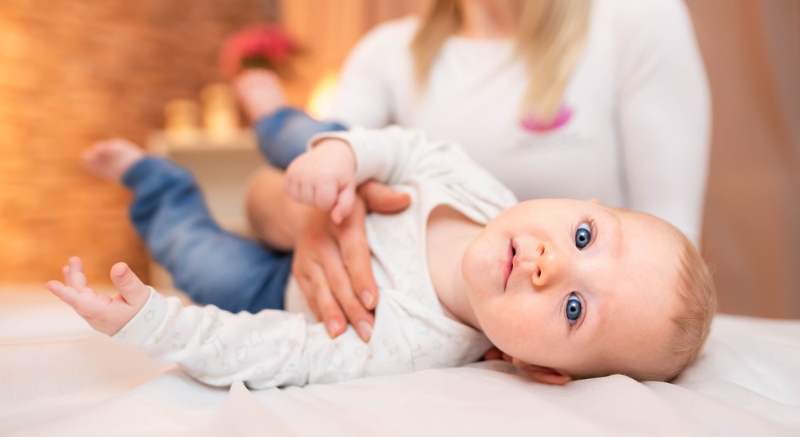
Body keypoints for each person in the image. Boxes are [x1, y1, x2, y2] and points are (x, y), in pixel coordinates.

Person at [240, 0, 712, 342]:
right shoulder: (387, 54)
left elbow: (674, 248)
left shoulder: (637, 16)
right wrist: (309, 215)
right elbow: (266, 187)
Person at [48, 125, 716, 388]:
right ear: (583, 203)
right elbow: (412, 150)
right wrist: (343, 156)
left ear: (538, 366)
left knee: (195, 257)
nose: (553, 266)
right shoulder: (480, 192)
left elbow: (280, 352)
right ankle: (272, 111)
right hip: (317, 192)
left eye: (574, 308)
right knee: (309, 132)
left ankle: (155, 181)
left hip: (273, 289)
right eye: (583, 237)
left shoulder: (409, 343)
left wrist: (152, 324)